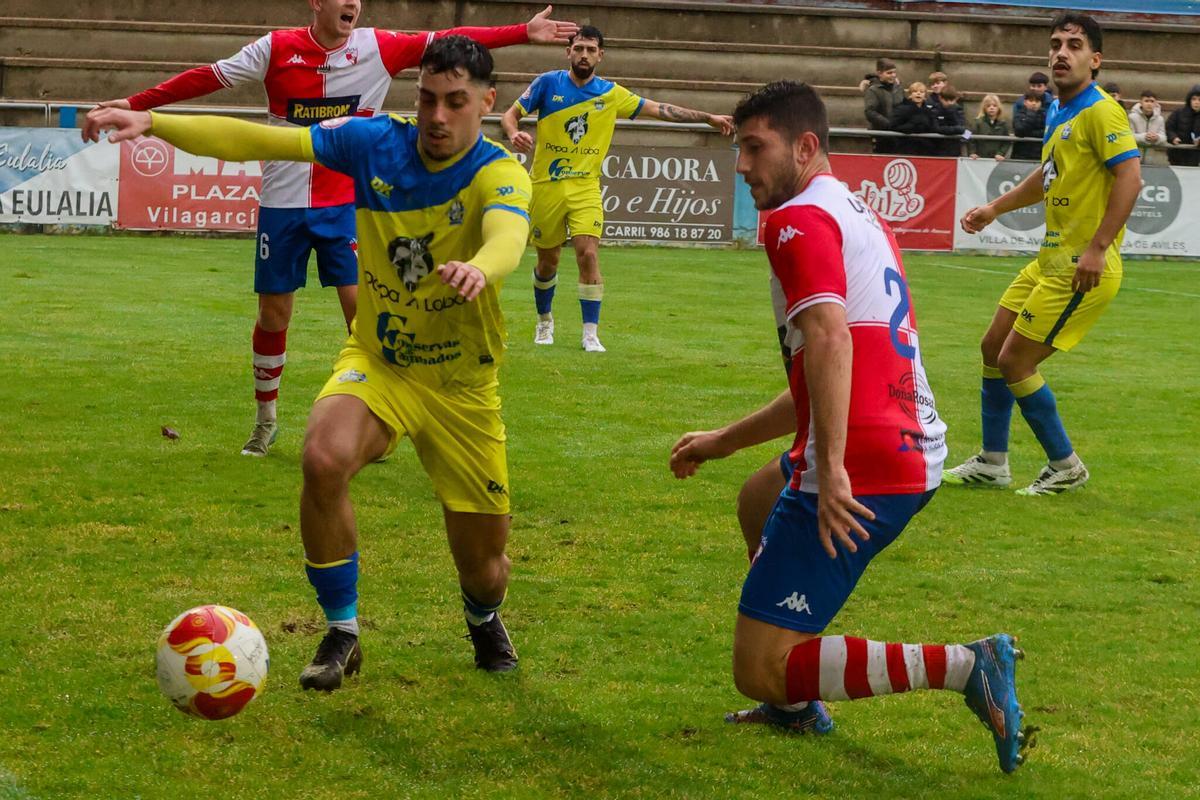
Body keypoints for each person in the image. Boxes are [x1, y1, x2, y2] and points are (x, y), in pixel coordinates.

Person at [88, 36, 534, 687]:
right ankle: (342, 631)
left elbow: (509, 233)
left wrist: (481, 267)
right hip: (381, 362)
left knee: (485, 564)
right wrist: (152, 120)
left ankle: (482, 616)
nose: (438, 117)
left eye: (456, 103)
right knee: (323, 457)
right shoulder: (374, 142)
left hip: (462, 385)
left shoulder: (498, 171)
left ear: (487, 103)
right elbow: (263, 143)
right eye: (429, 99)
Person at [668, 79, 1030, 774]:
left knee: (759, 670)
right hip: (901, 440)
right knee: (753, 499)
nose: (741, 166)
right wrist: (724, 441)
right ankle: (796, 686)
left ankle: (964, 666)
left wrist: (829, 468)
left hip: (866, 460)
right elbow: (827, 370)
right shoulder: (852, 208)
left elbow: (830, 341)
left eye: (754, 147)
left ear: (805, 147)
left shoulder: (795, 220)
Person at [83, 1, 576, 457]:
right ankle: (266, 418)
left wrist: (521, 32)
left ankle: (382, 416)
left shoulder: (377, 47)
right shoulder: (275, 48)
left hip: (346, 204)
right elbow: (207, 78)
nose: (353, 4)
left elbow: (452, 39)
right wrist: (135, 104)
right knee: (274, 314)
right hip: (282, 199)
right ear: (317, 0)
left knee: (362, 313)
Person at [946, 12, 1141, 495]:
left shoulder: (1101, 112)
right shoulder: (1059, 111)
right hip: (1048, 260)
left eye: (1074, 45)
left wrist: (1098, 247)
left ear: (1094, 60)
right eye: (1055, 44)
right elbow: (1048, 175)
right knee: (993, 347)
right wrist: (994, 207)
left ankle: (1066, 465)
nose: (1060, 53)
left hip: (1081, 267)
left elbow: (1131, 177)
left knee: (1015, 361)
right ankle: (993, 462)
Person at [500, 25, 733, 352]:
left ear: (600, 55)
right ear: (568, 52)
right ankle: (544, 322)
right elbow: (509, 116)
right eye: (578, 48)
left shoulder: (611, 94)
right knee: (548, 262)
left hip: (585, 189)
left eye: (590, 50)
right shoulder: (547, 83)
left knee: (589, 254)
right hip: (546, 186)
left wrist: (707, 117)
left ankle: (590, 334)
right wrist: (514, 134)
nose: (584, 54)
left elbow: (659, 109)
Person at [863, 58, 904, 154]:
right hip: (881, 136)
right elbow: (870, 112)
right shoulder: (873, 90)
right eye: (889, 73)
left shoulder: (898, 88)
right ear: (879, 73)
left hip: (899, 135)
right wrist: (888, 124)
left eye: (894, 73)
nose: (893, 76)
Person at [888, 81, 936, 155]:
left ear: (925, 96)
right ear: (910, 95)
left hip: (925, 150)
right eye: (915, 91)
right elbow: (893, 126)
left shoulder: (929, 112)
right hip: (905, 148)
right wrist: (912, 125)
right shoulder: (902, 109)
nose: (918, 93)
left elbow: (933, 128)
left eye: (921, 92)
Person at [1129, 90, 1167, 166]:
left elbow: (1164, 137)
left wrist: (1157, 138)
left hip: (1153, 159)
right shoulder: (1132, 117)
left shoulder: (1160, 119)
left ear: (1156, 103)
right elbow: (1129, 135)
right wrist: (1144, 136)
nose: (1149, 104)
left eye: (1152, 101)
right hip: (1134, 157)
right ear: (1141, 103)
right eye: (1146, 101)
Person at [969, 94, 1012, 160]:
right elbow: (966, 136)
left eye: (994, 106)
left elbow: (1007, 141)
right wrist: (972, 152)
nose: (991, 108)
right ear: (984, 108)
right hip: (979, 159)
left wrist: (1000, 153)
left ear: (998, 108)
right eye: (988, 106)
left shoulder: (1003, 124)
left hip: (996, 160)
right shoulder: (976, 122)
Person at [1165, 86, 1200, 167]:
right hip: (1177, 154)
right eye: (1194, 99)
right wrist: (1173, 137)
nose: (1196, 102)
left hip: (1196, 157)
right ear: (1189, 100)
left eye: (1199, 99)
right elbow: (1169, 127)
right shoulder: (1178, 113)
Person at [930, 83, 966, 157]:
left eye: (951, 100)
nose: (949, 103)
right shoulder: (935, 110)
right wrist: (956, 130)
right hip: (937, 149)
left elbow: (966, 130)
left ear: (955, 99)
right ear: (940, 98)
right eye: (946, 100)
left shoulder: (959, 110)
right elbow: (936, 128)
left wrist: (964, 139)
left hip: (955, 150)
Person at [1011, 90, 1047, 161]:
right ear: (1025, 102)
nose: (1034, 103)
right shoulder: (1019, 114)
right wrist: (1031, 114)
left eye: (1037, 101)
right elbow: (1019, 131)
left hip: (1039, 154)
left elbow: (1046, 132)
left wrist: (1028, 133)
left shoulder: (1045, 115)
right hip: (1021, 153)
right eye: (1031, 101)